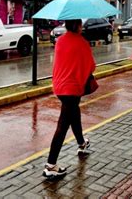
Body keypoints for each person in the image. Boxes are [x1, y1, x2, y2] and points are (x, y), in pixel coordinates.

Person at [43, 19, 96, 179]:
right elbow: (91, 66)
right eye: (81, 25)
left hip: (59, 87)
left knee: (74, 114)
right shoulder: (82, 43)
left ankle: (81, 142)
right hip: (72, 88)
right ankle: (51, 165)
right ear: (78, 26)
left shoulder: (60, 40)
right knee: (63, 125)